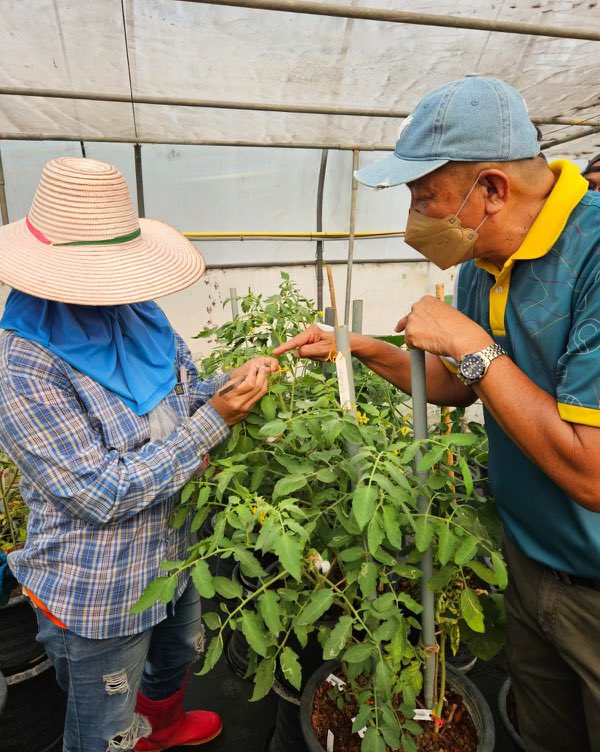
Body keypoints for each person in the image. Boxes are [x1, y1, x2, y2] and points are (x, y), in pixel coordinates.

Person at [274, 75, 600, 752]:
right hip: (532, 563)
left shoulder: (593, 256)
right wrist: (358, 346)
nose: (416, 213)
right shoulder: (482, 256)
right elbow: (460, 385)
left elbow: (592, 474)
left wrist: (475, 347)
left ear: (492, 189)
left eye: (426, 195)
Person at [0, 157, 278, 752]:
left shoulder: (140, 316)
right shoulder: (24, 364)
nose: (115, 291)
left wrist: (233, 385)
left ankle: (165, 728)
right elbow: (100, 491)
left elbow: (186, 393)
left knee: (176, 653)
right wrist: (212, 424)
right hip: (99, 586)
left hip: (174, 553)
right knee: (102, 725)